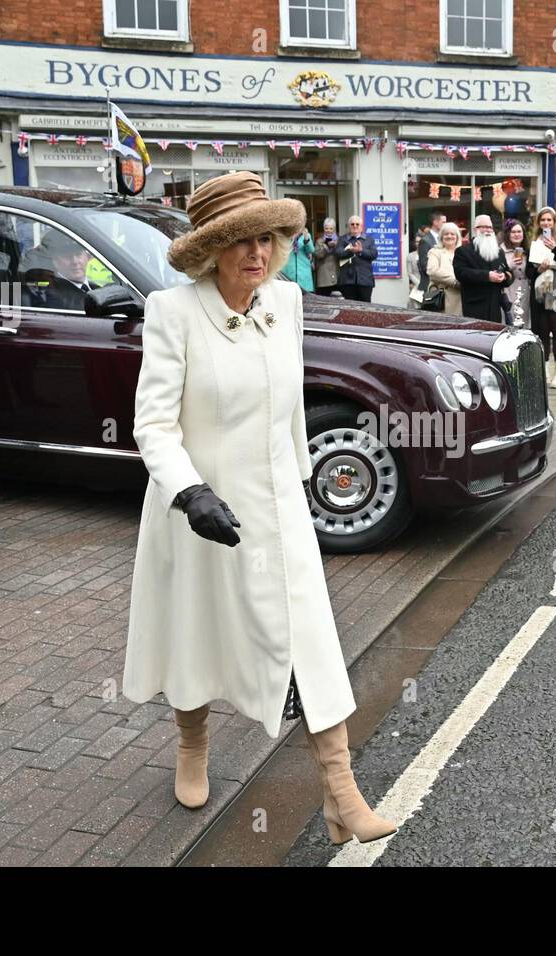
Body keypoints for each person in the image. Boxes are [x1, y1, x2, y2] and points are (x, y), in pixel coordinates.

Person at [124, 170, 396, 845]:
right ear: (209, 250)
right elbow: (153, 425)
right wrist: (190, 492)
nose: (257, 252)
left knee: (311, 647)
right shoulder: (174, 312)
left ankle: (341, 795)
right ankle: (192, 747)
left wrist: (302, 479)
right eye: (241, 241)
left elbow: (289, 410)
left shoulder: (287, 302)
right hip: (200, 514)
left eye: (268, 238)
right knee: (196, 636)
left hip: (279, 517)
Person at [527, 206, 556, 388]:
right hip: (539, 292)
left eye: (549, 220)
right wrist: (538, 269)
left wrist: (555, 248)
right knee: (541, 330)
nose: (546, 223)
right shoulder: (533, 242)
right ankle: (544, 370)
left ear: (555, 222)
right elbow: (529, 272)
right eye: (543, 220)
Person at [453, 214, 513, 323]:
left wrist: (504, 276)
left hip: (495, 305)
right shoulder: (463, 251)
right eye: (484, 227)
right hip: (475, 305)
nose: (488, 230)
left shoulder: (499, 252)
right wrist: (487, 276)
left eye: (490, 227)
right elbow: (460, 273)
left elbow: (507, 272)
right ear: (476, 229)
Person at [426, 221, 465, 316]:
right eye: (446, 234)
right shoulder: (435, 252)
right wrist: (455, 282)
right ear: (441, 237)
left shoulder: (464, 252)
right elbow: (432, 271)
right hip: (444, 299)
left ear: (457, 237)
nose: (449, 236)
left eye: (452, 234)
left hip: (464, 297)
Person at [337, 216, 377, 301]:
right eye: (352, 224)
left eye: (357, 224)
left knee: (366, 307)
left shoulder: (369, 240)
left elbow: (374, 254)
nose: (355, 226)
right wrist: (350, 251)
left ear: (361, 227)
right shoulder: (342, 239)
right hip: (347, 280)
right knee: (350, 308)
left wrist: (361, 250)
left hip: (365, 280)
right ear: (348, 226)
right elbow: (338, 253)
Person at [501, 219, 530, 328]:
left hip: (525, 291)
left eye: (519, 231)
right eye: (513, 232)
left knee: (524, 324)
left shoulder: (528, 250)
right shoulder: (501, 251)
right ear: (508, 234)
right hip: (509, 291)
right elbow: (498, 271)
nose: (516, 234)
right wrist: (509, 265)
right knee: (510, 324)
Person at [415, 211, 444, 303]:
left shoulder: (444, 238)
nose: (445, 224)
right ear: (435, 222)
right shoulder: (425, 241)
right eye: (443, 222)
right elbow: (424, 265)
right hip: (430, 286)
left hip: (442, 285)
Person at [280, 224, 315, 292]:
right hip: (289, 272)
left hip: (303, 272)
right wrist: (292, 238)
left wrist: (306, 239)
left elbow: (311, 250)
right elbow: (283, 249)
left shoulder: (306, 235)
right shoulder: (285, 236)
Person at [313, 218, 341, 297]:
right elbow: (318, 255)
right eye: (326, 228)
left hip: (337, 275)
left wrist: (336, 246)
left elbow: (342, 255)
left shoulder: (339, 240)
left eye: (331, 228)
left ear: (334, 229)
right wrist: (327, 247)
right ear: (324, 229)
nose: (329, 230)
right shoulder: (319, 241)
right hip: (324, 278)